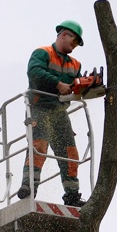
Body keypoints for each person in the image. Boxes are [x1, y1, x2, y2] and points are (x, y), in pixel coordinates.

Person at [17, 20, 87, 207]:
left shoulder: (75, 64)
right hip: (40, 107)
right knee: (39, 145)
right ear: (63, 34)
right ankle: (28, 187)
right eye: (73, 41)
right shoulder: (43, 53)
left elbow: (75, 87)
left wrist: (87, 86)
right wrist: (57, 84)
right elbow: (35, 72)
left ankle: (72, 194)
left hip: (59, 111)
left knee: (70, 152)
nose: (74, 46)